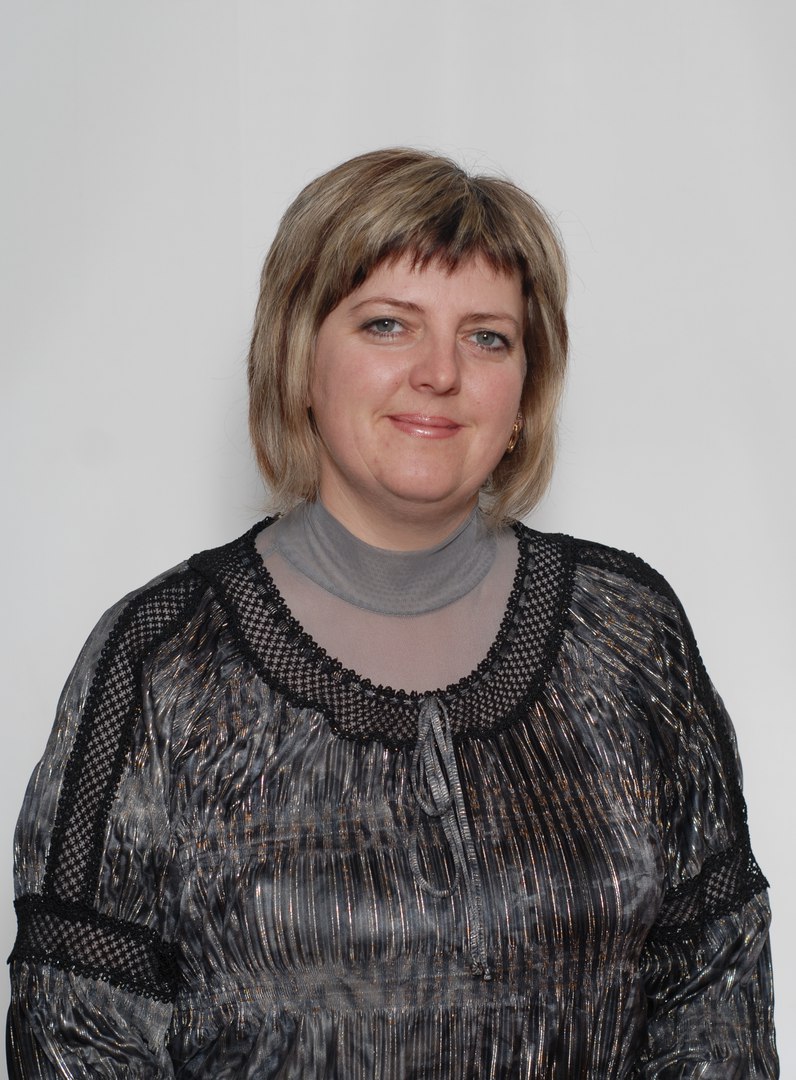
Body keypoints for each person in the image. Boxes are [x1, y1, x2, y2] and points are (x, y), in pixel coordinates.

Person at [7, 147, 778, 1077]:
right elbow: (76, 1036)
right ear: (300, 359)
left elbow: (715, 1000)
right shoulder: (161, 660)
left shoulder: (628, 631)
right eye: (387, 325)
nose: (439, 372)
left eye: (486, 338)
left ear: (525, 394)